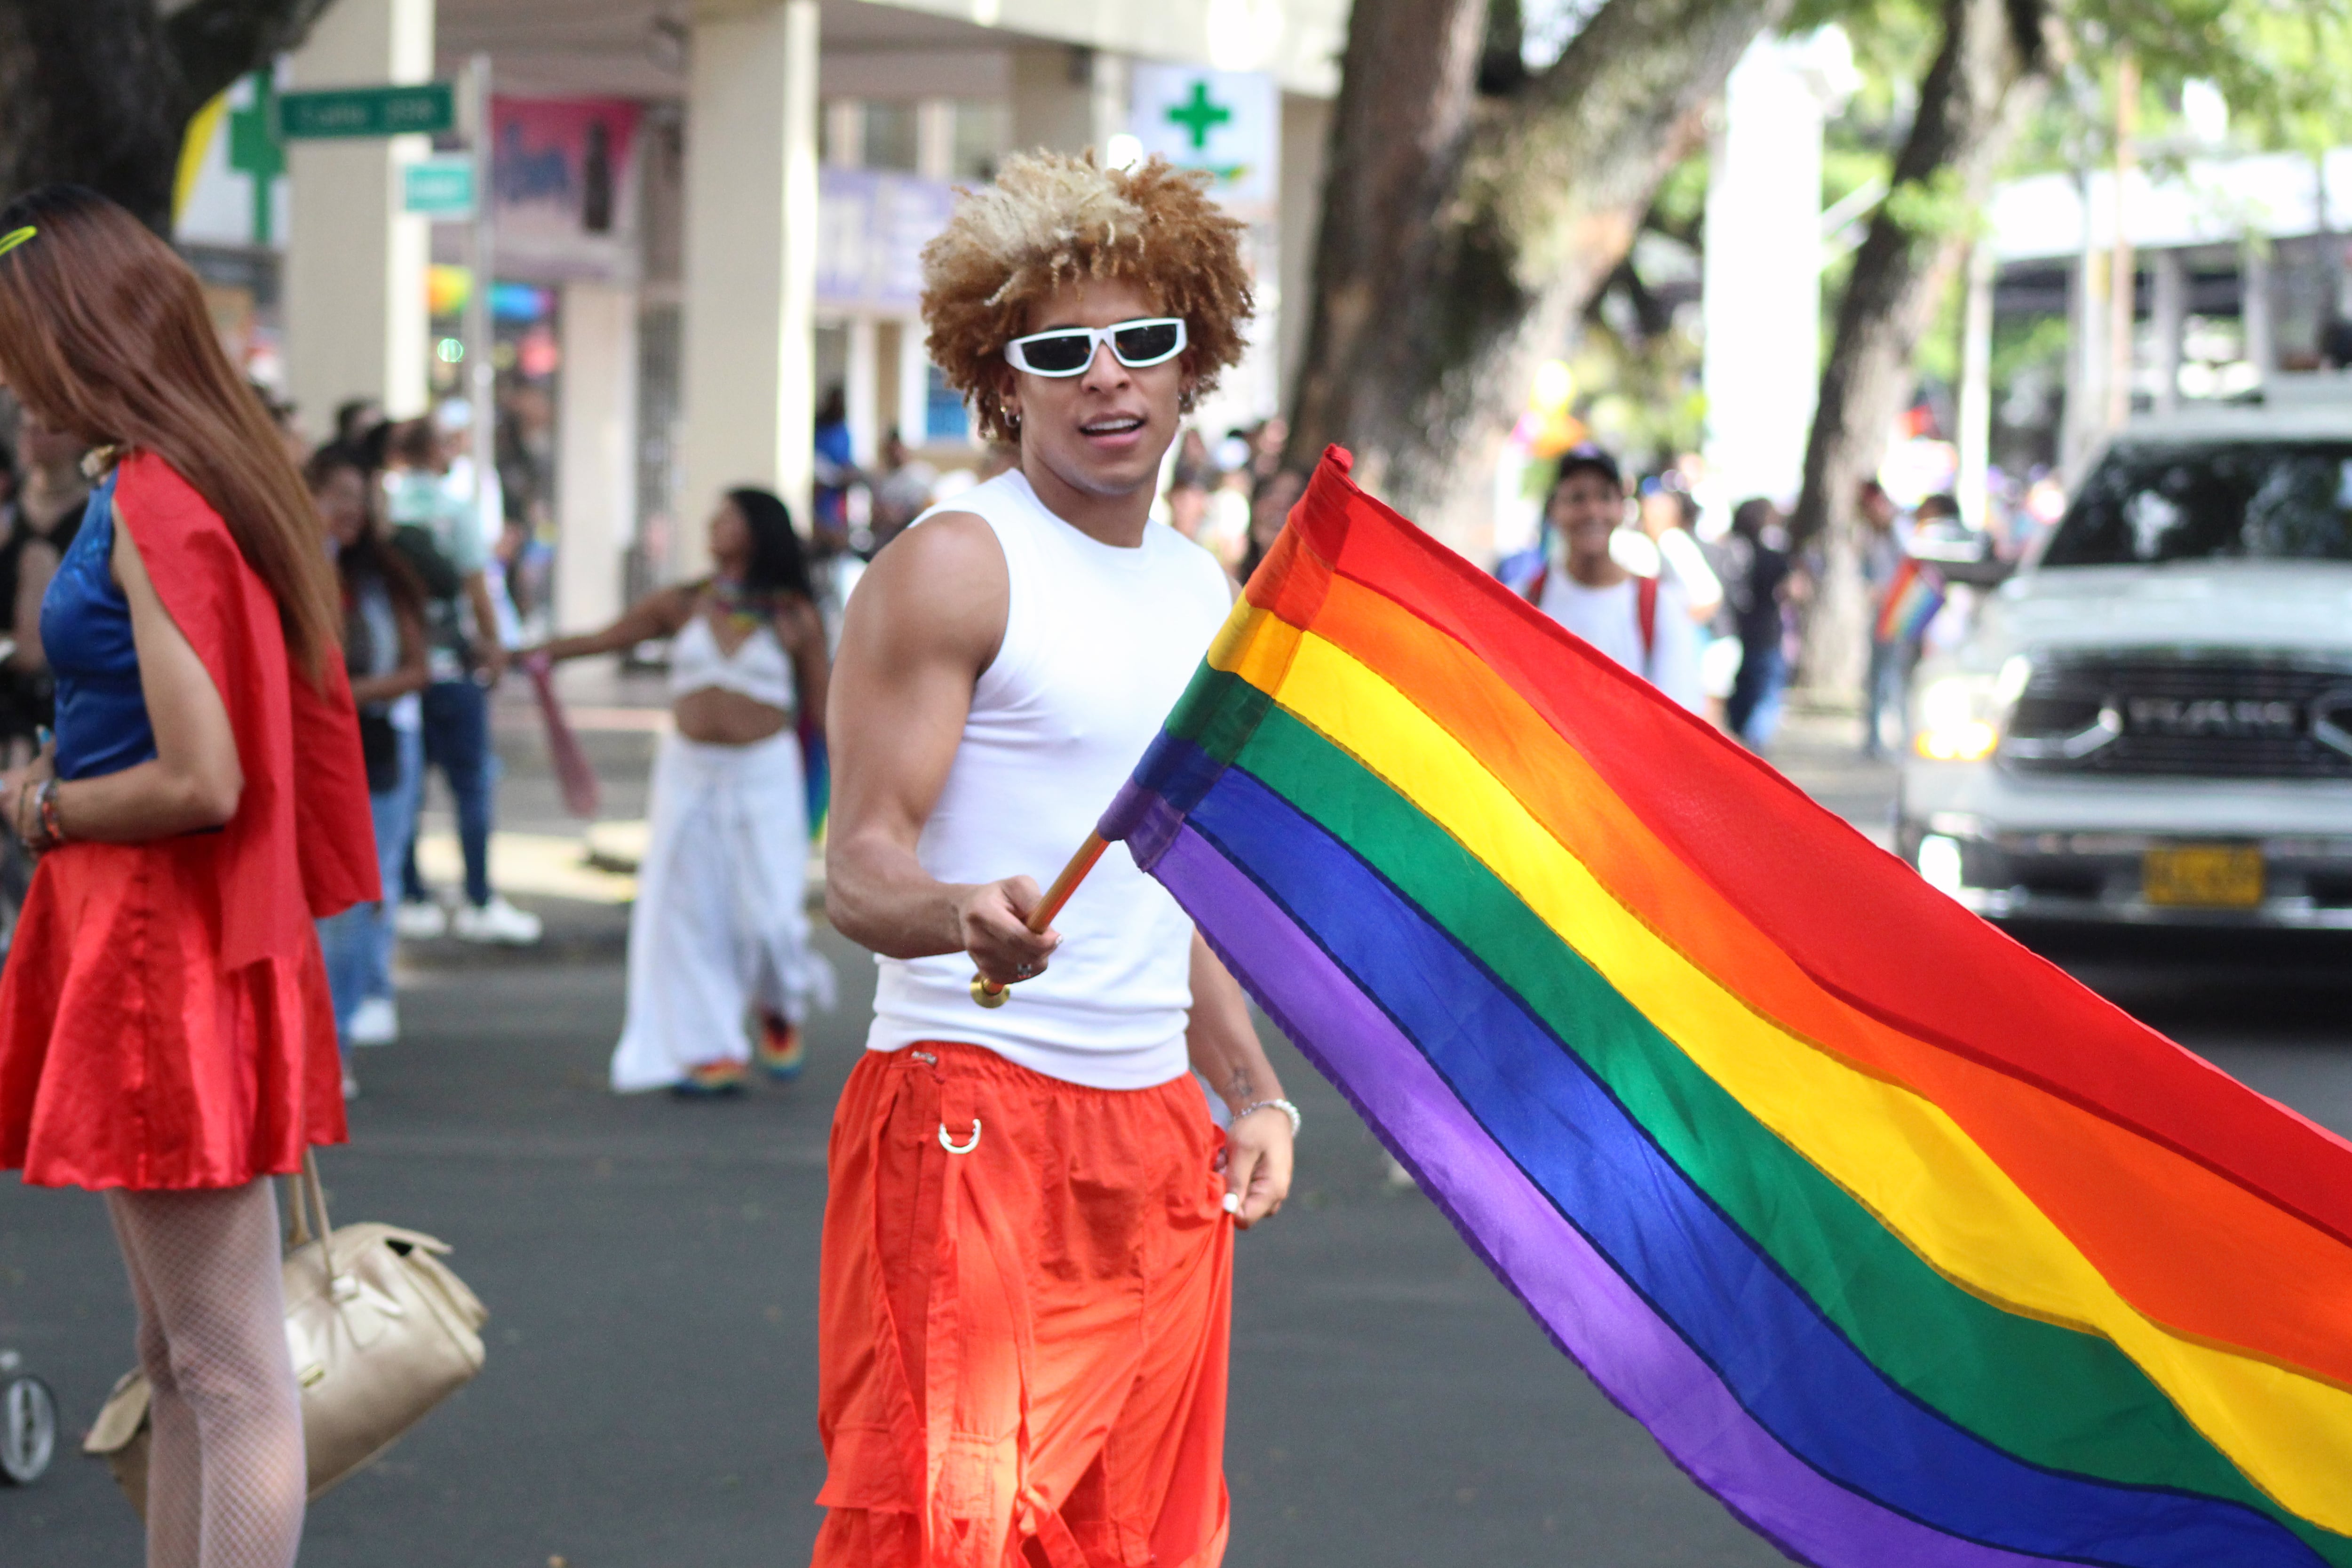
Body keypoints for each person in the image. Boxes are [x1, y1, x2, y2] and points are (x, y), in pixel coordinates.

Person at [817, 150, 1294, 1566]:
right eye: (1060, 349)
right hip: (970, 1109)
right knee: (937, 1536)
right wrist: (954, 910)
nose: (1107, 378)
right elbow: (856, 867)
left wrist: (1253, 1092)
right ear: (1001, 372)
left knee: (1134, 1542)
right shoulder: (958, 563)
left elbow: (1178, 882)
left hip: (1154, 1135)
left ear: (1190, 361)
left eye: (1142, 341)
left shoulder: (1199, 587)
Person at [0, 184, 377, 1568]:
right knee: (182, 1360)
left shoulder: (158, 494)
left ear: (73, 340)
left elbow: (202, 775)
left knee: (222, 1370)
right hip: (158, 943)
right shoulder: (164, 478)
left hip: (162, 948)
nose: (10, 377)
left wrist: (49, 806)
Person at [528, 487, 835, 1097]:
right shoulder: (686, 603)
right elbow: (607, 639)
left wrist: (857, 787)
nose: (712, 527)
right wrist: (532, 654)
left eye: (726, 519)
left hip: (766, 776)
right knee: (692, 915)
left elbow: (826, 709)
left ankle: (778, 1003)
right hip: (688, 773)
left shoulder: (794, 614)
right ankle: (709, 1047)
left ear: (758, 531)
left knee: (770, 918)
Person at [379, 417, 540, 945]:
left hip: (400, 674)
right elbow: (479, 588)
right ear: (437, 452)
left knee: (409, 792)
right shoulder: (456, 513)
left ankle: (413, 896)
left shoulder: (387, 514)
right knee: (470, 786)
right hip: (452, 669)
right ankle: (478, 898)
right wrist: (493, 650)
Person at [307, 443, 428, 1074]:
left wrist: (347, 697)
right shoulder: (292, 565)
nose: (350, 511)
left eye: (361, 498)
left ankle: (336, 1045)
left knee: (358, 901)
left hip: (373, 747)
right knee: (309, 907)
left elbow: (417, 667)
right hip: (306, 751)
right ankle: (310, 1043)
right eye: (338, 496)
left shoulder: (383, 575)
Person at [1519, 448, 1704, 711]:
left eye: (1605, 497)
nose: (1593, 511)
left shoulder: (1658, 607)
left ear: (1621, 509)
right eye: (1577, 498)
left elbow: (1681, 715)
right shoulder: (1525, 599)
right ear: (1554, 510)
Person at [0, 402, 88, 759]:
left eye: (46, 427)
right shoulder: (9, 511)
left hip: (69, 686)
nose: (33, 434)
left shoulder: (94, 513)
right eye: (27, 427)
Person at [1722, 496, 1796, 749]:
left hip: (1735, 633)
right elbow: (1792, 589)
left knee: (1741, 697)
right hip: (1764, 635)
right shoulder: (1771, 556)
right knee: (1766, 697)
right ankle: (1750, 748)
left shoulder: (1729, 552)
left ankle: (1738, 743)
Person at [1858, 478, 1907, 757]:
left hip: (1898, 612)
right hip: (1882, 612)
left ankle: (1897, 737)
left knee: (1893, 675)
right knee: (1879, 675)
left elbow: (1908, 566)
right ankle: (1876, 738)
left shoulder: (1896, 530)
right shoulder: (1871, 534)